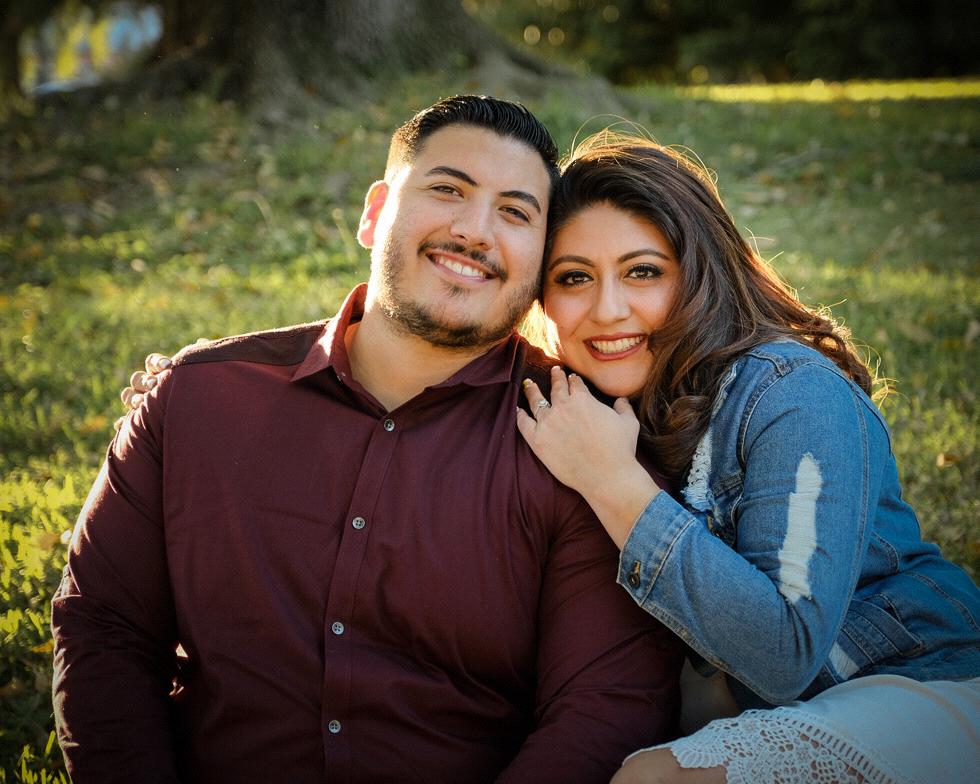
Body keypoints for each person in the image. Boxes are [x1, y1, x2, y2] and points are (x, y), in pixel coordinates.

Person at [51, 98, 685, 784]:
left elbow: (604, 703)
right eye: (448, 190)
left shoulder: (582, 443)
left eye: (514, 212)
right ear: (374, 213)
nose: (474, 230)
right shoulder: (196, 398)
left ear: (539, 263)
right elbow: (103, 629)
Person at [513, 132, 980, 783]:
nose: (608, 309)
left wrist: (614, 484)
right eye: (574, 278)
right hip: (755, 715)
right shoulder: (587, 411)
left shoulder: (794, 394)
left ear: (699, 275)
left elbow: (786, 653)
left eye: (643, 271)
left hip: (914, 684)